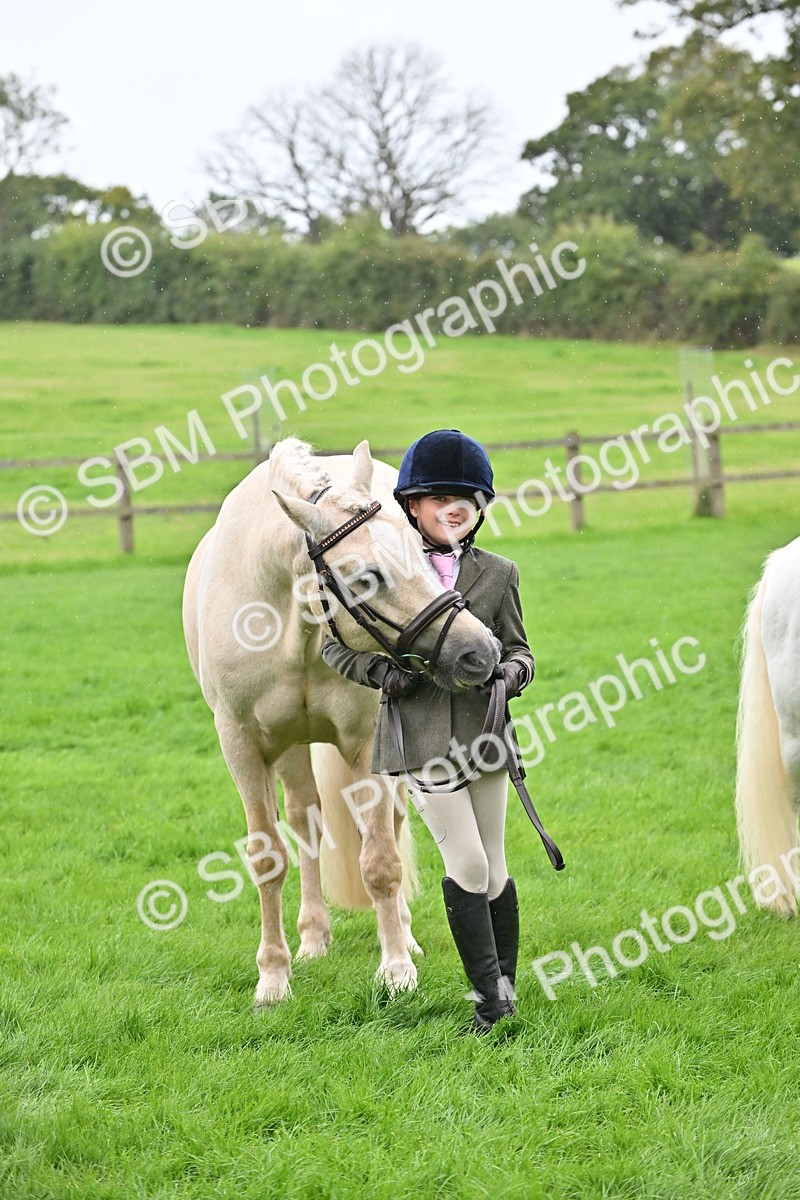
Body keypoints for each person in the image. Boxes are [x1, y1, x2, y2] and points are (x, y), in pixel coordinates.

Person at [321, 429, 535, 1032]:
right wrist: (381, 672)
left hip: (486, 736)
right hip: (420, 741)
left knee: (494, 865)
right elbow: (332, 646)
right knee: (466, 864)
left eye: (465, 497)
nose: (453, 507)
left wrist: (509, 674)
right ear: (410, 505)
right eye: (438, 496)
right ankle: (489, 1004)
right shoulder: (387, 572)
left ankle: (505, 992)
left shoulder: (499, 574)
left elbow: (522, 651)